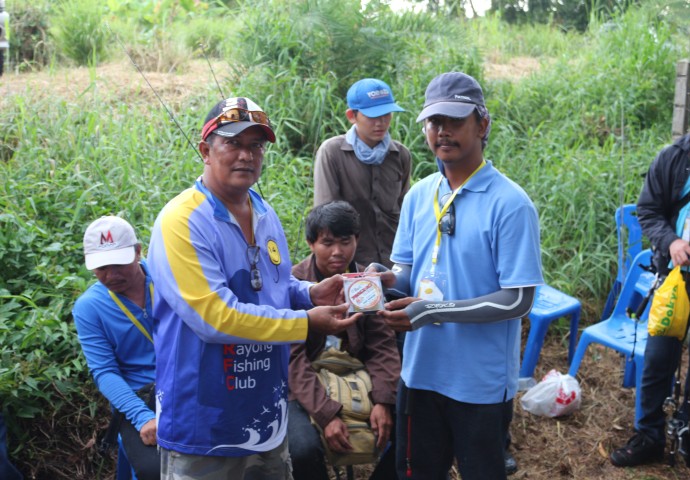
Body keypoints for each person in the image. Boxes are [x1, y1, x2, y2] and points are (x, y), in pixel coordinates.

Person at [147, 96, 360, 480]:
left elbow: (273, 286)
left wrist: (309, 293)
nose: (246, 155)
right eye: (233, 142)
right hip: (205, 424)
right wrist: (306, 321)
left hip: (265, 417)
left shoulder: (264, 212)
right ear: (205, 151)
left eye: (256, 145)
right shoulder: (181, 221)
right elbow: (214, 317)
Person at [376, 72, 543, 480]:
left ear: (482, 124)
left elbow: (519, 299)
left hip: (479, 386)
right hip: (420, 374)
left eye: (454, 121)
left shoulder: (510, 204)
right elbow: (408, 272)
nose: (442, 131)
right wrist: (383, 280)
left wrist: (434, 311)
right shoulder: (420, 194)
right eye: (434, 122)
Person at [610, 76, 690, 470]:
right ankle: (649, 435)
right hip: (674, 280)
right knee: (658, 360)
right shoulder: (673, 157)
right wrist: (671, 242)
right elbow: (648, 211)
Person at [288, 201, 401, 480]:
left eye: (345, 241)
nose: (338, 251)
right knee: (301, 449)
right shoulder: (294, 283)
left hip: (355, 378)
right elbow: (292, 358)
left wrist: (383, 401)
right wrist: (326, 414)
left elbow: (382, 345)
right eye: (327, 242)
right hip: (302, 386)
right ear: (311, 243)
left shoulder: (365, 282)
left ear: (357, 240)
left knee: (415, 433)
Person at [72, 216, 159, 480]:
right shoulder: (90, 307)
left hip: (189, 387)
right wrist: (141, 416)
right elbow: (105, 372)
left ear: (137, 251)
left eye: (119, 264)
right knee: (153, 470)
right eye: (101, 268)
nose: (111, 275)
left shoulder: (170, 280)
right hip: (140, 397)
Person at [314, 78, 411, 269]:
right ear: (352, 116)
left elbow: (405, 214)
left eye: (386, 114)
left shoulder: (400, 155)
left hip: (395, 264)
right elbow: (325, 217)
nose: (381, 123)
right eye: (373, 116)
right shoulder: (332, 153)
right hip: (353, 267)